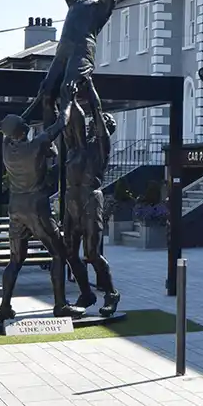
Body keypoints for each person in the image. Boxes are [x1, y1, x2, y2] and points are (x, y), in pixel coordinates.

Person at [20, 0, 121, 139]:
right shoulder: (74, 4)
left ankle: (74, 138)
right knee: (47, 92)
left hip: (82, 54)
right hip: (63, 53)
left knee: (68, 92)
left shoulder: (102, 6)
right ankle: (53, 139)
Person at [0, 112, 84, 322]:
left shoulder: (6, 148)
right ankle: (60, 305)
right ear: (25, 129)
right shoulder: (36, 145)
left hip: (15, 207)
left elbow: (14, 128)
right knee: (58, 253)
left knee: (15, 259)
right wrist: (68, 102)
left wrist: (33, 107)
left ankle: (4, 306)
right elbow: (61, 122)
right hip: (36, 206)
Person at [64, 110, 121, 316]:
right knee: (69, 252)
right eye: (92, 123)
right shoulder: (76, 147)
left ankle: (111, 293)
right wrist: (71, 95)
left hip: (90, 200)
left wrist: (88, 84)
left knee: (92, 254)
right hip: (72, 201)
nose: (92, 125)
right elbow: (70, 122)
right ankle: (86, 293)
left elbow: (96, 112)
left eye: (99, 123)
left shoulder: (101, 146)